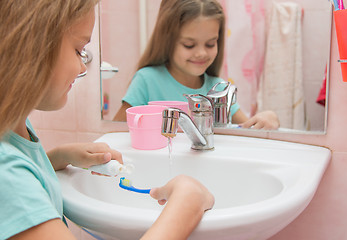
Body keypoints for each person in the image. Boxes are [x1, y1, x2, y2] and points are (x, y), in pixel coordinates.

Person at [0, 1, 214, 240]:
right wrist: (187, 203)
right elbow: (13, 183)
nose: (83, 66)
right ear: (30, 47)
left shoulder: (14, 129)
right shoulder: (5, 173)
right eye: (78, 50)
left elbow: (24, 177)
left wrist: (57, 157)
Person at [113, 0, 280, 130]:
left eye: (210, 44)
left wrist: (268, 118)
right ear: (168, 41)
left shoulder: (218, 89)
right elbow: (115, 133)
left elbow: (247, 130)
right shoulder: (147, 80)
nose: (201, 53)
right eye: (189, 45)